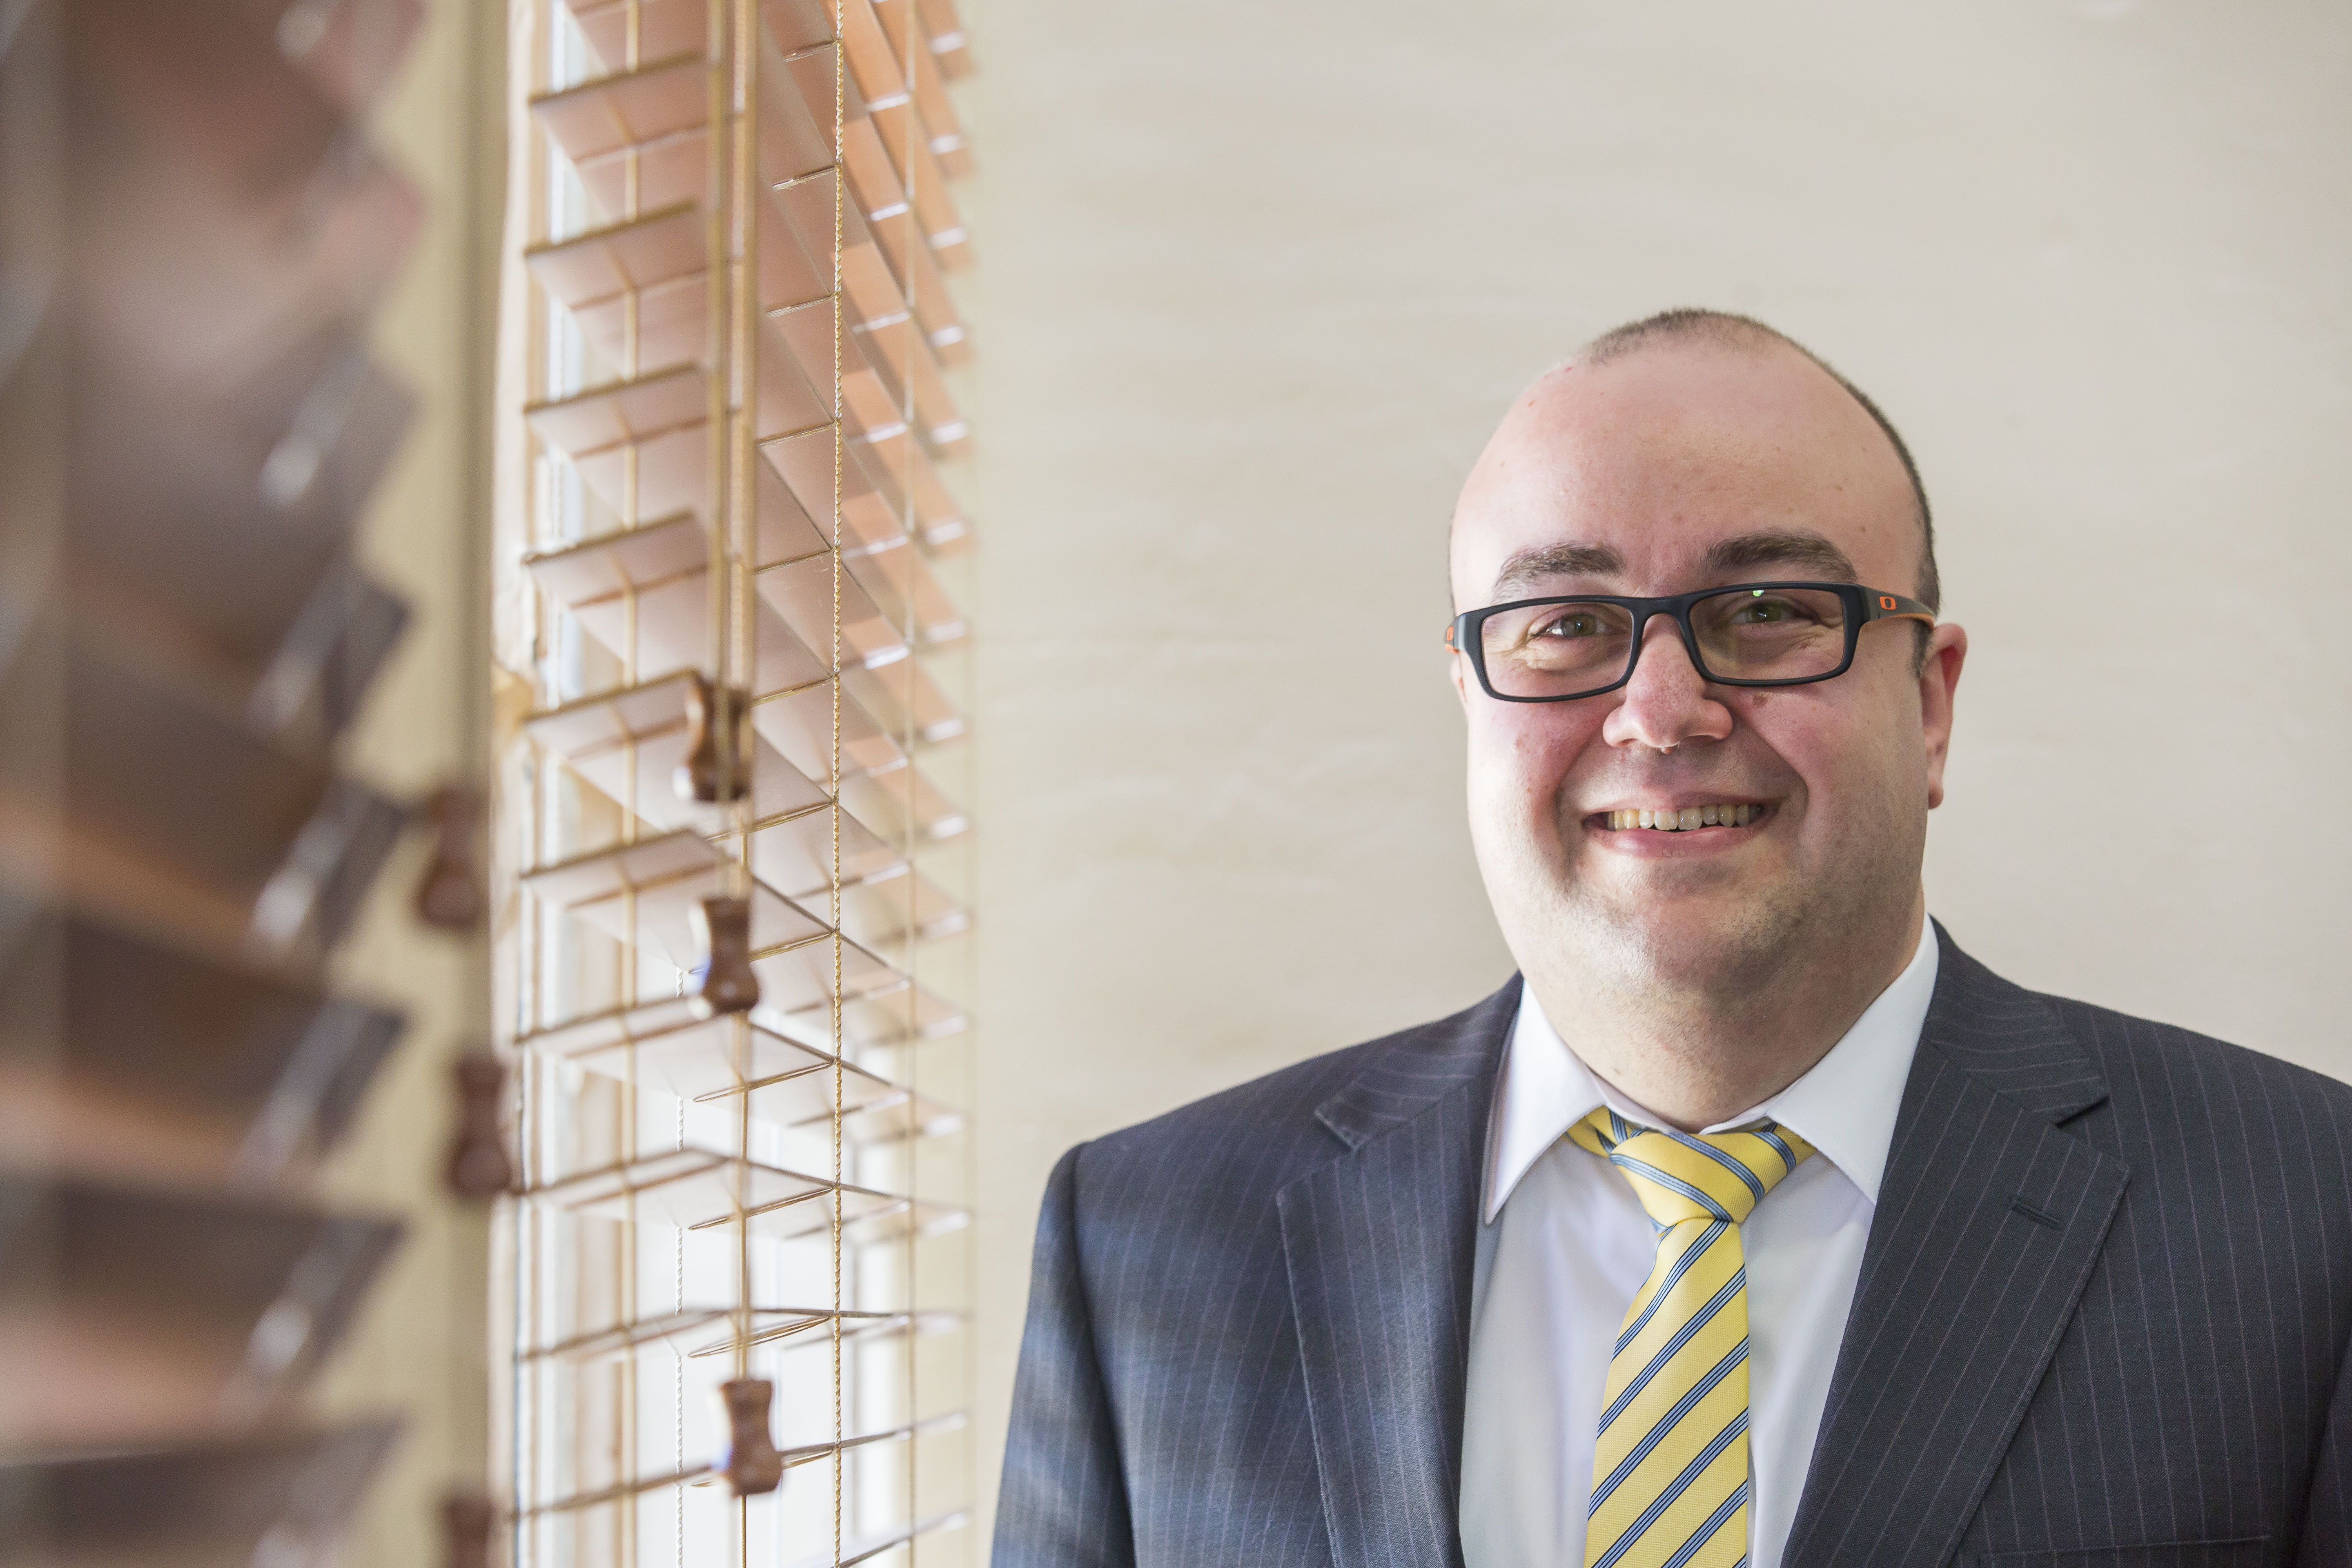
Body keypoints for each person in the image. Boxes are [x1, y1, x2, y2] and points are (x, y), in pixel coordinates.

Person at [993, 309, 2352, 1568]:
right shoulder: (1144, 1248)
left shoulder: (2309, 1221)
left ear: (1930, 706)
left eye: (1768, 613)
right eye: (1565, 626)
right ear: (1471, 699)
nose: (1659, 713)